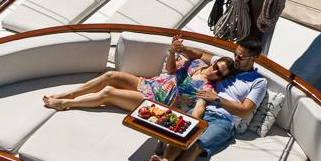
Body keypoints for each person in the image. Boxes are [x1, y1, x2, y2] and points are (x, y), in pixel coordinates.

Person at [146, 47, 266, 161]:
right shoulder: (227, 64)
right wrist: (181, 48)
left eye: (240, 57)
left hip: (224, 119)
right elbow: (200, 54)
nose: (236, 58)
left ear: (253, 58)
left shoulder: (258, 82)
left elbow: (245, 111)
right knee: (181, 133)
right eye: (235, 54)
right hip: (202, 108)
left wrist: (217, 99)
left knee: (197, 143)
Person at [41, 42, 228, 113]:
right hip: (148, 83)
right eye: (216, 67)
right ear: (212, 63)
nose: (215, 72)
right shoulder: (195, 63)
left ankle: (65, 104)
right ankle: (70, 94)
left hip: (155, 101)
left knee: (108, 92)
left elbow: (199, 108)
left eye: (220, 73)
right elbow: (171, 70)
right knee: (110, 75)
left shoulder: (207, 89)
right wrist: (173, 51)